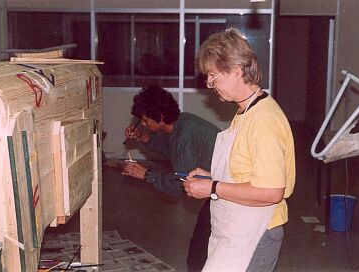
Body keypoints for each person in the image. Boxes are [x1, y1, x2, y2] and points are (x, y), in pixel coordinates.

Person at [183, 27, 296, 272]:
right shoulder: (245, 112)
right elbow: (248, 173)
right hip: (240, 228)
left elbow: (271, 191)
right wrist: (212, 178)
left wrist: (212, 187)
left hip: (257, 234)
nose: (210, 84)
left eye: (213, 76)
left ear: (236, 71)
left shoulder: (264, 120)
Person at [122, 84, 221, 272]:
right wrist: (144, 137)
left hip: (226, 190)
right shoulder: (181, 123)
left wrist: (146, 174)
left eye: (145, 120)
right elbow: (171, 149)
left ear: (159, 117)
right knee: (201, 246)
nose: (142, 123)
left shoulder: (185, 134)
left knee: (199, 251)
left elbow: (182, 185)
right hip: (217, 185)